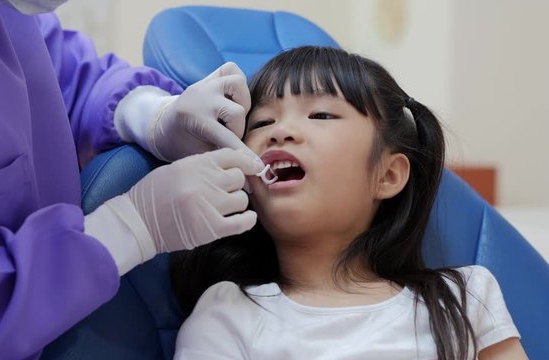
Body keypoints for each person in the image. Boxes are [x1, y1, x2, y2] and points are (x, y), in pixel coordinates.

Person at [0, 0, 264, 358]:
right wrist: (129, 227)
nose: (286, 135)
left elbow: (64, 76)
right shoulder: (222, 324)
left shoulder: (1, 12)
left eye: (322, 115)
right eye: (267, 123)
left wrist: (152, 114)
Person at [170, 46, 529, 359]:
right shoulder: (227, 313)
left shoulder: (462, 299)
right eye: (262, 121)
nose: (280, 131)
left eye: (320, 115)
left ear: (387, 176)